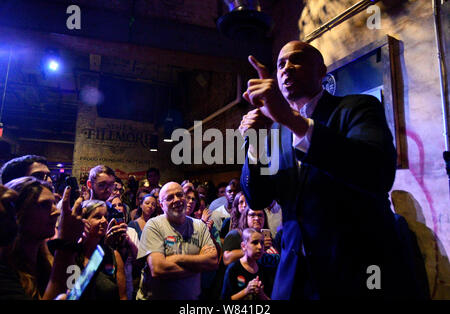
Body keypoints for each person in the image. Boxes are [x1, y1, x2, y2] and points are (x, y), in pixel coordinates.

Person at [239, 40, 428, 299]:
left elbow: (376, 173)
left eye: (296, 60)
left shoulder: (357, 108)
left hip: (354, 274)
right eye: (280, 64)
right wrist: (256, 143)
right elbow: (258, 197)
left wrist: (291, 119)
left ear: (322, 70)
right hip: (296, 277)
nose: (286, 69)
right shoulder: (276, 131)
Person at [1, 177, 85, 300]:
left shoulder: (49, 254)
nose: (56, 212)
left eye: (54, 204)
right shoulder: (4, 270)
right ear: (19, 212)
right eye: (45, 205)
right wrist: (66, 245)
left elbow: (72, 287)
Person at [136, 182, 218, 300]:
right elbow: (159, 269)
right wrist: (199, 266)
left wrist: (178, 259)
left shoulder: (199, 226)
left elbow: (213, 261)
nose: (177, 200)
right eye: (170, 198)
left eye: (180, 195)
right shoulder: (154, 225)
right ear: (161, 205)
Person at [76, 200, 127, 300]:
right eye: (98, 217)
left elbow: (123, 296)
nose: (104, 221)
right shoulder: (72, 254)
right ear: (84, 221)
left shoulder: (113, 256)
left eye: (106, 217)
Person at [221, 228, 270, 300]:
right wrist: (246, 291)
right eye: (255, 242)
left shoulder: (263, 269)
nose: (260, 247)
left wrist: (261, 293)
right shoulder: (234, 268)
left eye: (262, 243)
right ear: (243, 246)